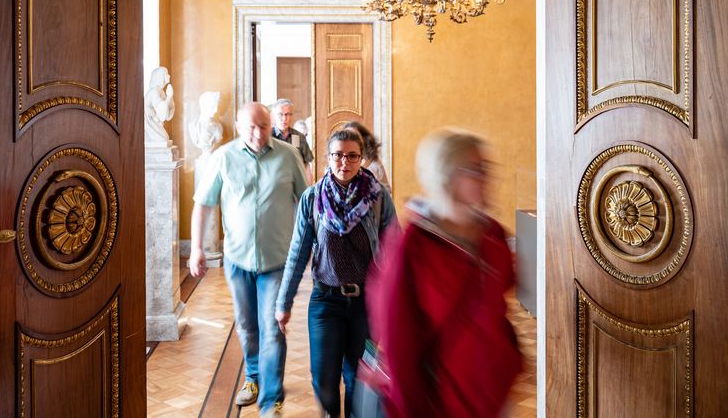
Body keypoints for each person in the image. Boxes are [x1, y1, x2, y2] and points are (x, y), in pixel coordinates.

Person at [367, 128, 521, 417]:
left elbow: (500, 302)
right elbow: (399, 341)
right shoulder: (410, 247)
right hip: (441, 402)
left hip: (494, 396)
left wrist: (509, 357)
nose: (487, 177)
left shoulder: (493, 234)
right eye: (476, 169)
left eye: (486, 168)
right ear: (448, 176)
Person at [189, 102, 308, 418]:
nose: (258, 133)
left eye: (264, 126)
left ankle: (271, 401)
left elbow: (307, 201)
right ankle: (253, 377)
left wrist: (310, 246)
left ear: (271, 125)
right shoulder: (223, 157)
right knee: (246, 325)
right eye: (252, 127)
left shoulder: (289, 156)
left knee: (273, 328)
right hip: (237, 260)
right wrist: (197, 248)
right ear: (239, 127)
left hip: (278, 261)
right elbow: (203, 204)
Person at [275, 129, 398, 418]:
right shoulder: (312, 198)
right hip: (325, 301)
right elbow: (297, 253)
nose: (345, 162)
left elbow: (396, 250)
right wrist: (284, 302)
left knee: (359, 378)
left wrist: (396, 303)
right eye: (338, 155)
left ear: (361, 158)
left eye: (352, 156)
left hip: (365, 304)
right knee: (323, 379)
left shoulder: (378, 197)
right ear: (327, 158)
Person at [270, 98, 315, 180]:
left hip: (295, 181)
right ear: (273, 116)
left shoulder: (299, 136)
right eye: (280, 114)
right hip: (274, 181)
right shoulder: (268, 136)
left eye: (287, 114)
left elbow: (306, 164)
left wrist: (308, 186)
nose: (284, 118)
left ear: (291, 115)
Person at [342, 121, 389, 188]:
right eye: (347, 136)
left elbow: (386, 191)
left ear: (364, 139)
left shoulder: (375, 165)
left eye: (355, 136)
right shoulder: (339, 162)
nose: (351, 140)